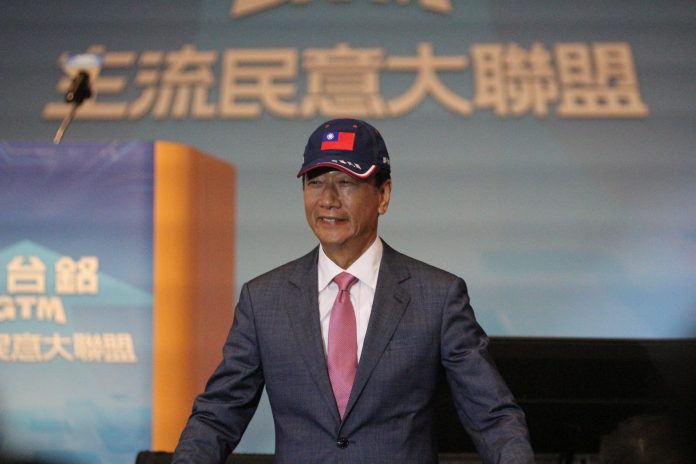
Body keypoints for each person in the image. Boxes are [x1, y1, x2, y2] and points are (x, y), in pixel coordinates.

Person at [172, 119, 534, 464]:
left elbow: (492, 417)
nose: (328, 199)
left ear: (383, 195)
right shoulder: (263, 300)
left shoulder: (438, 297)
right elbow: (218, 416)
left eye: (346, 182)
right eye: (315, 182)